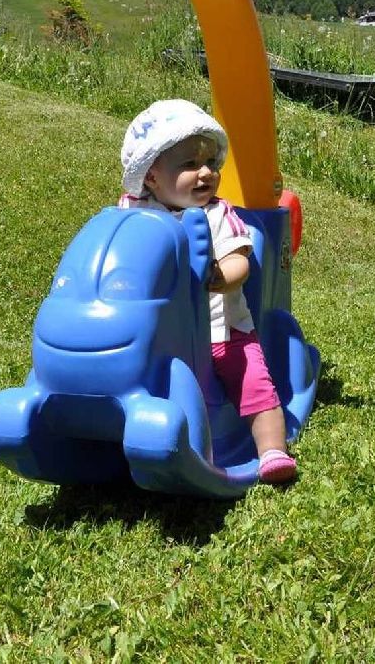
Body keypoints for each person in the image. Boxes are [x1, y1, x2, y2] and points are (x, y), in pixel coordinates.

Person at [119, 99, 297, 484]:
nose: (206, 173)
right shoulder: (136, 210)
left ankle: (272, 450)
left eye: (211, 164)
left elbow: (241, 263)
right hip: (157, 333)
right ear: (151, 177)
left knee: (251, 379)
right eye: (189, 165)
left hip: (222, 330)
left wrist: (217, 275)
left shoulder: (219, 214)